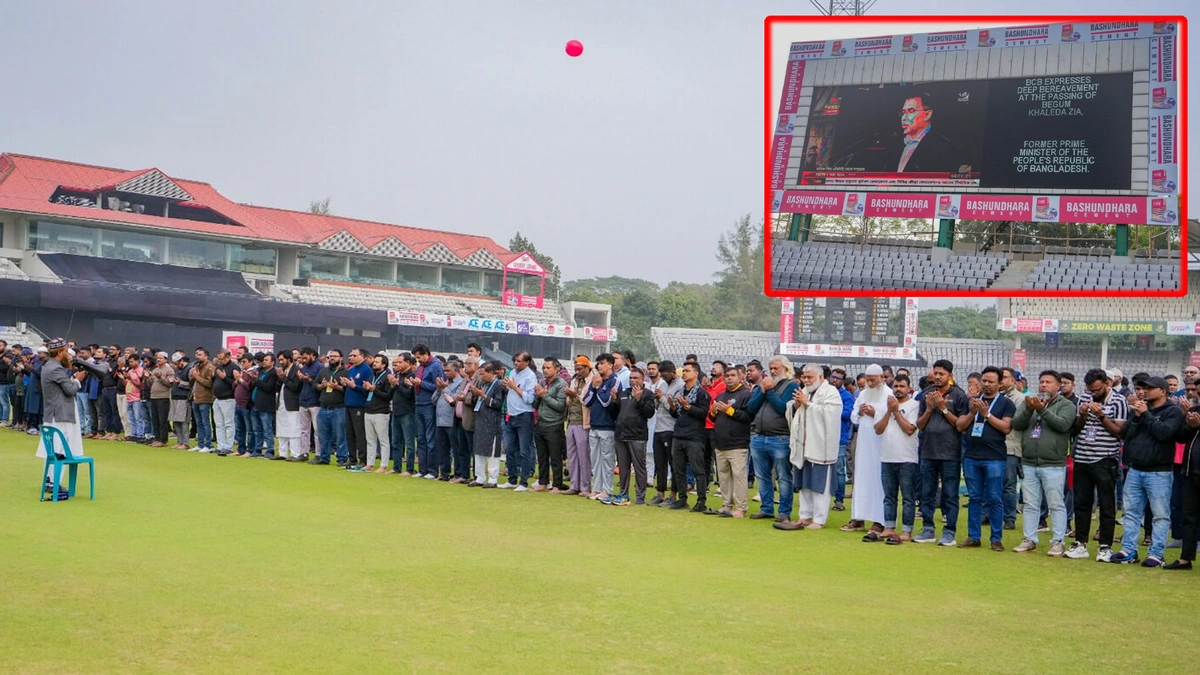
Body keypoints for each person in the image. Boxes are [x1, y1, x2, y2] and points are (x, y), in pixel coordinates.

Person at [1112, 376, 1185, 567]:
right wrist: (1136, 416)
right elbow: (1124, 434)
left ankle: (1156, 553)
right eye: (1143, 388)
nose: (1144, 391)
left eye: (1150, 388)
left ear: (1162, 391)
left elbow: (1164, 434)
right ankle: (1128, 550)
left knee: (1160, 514)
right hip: (1135, 469)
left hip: (1159, 472)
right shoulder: (1140, 409)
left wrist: (1145, 414)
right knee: (1131, 512)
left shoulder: (1173, 412)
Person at [1011, 370, 1077, 556]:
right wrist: (1031, 409)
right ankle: (1029, 539)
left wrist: (1040, 409)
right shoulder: (1029, 402)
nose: (1043, 385)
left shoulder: (1066, 405)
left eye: (1048, 382)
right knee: (1031, 504)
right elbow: (1016, 423)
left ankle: (1058, 541)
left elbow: (1063, 425)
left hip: (1053, 463)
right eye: (1041, 382)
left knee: (1056, 503)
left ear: (1058, 386)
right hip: (1030, 462)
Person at [775, 364, 842, 530]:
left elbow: (832, 415)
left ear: (820, 377)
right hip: (803, 447)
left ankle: (819, 519)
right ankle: (804, 516)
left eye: (809, 377)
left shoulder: (830, 392)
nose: (806, 380)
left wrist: (808, 404)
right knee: (804, 483)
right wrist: (796, 405)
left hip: (821, 447)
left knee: (820, 485)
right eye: (804, 377)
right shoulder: (804, 391)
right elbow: (791, 409)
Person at [957, 367, 1016, 551]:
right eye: (984, 381)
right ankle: (974, 536)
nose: (987, 384)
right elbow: (960, 426)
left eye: (991, 381)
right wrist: (972, 413)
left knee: (994, 497)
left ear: (999, 384)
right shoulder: (973, 402)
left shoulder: (1006, 404)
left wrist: (987, 415)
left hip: (994, 457)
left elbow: (1006, 428)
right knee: (974, 497)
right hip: (972, 456)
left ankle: (996, 538)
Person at [913, 359, 970, 546]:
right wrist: (930, 408)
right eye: (935, 373)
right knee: (926, 493)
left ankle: (949, 532)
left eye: (941, 374)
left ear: (950, 376)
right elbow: (919, 425)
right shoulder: (926, 395)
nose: (937, 377)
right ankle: (928, 529)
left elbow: (961, 425)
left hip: (950, 453)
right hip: (928, 451)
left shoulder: (960, 396)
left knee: (950, 494)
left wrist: (944, 408)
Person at [748, 356, 800, 521]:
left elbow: (782, 408)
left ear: (786, 369)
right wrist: (763, 391)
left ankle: (784, 512)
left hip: (780, 437)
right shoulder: (763, 385)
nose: (772, 371)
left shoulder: (791, 385)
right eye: (770, 368)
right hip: (759, 436)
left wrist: (769, 391)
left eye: (776, 368)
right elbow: (751, 407)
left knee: (783, 476)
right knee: (762, 476)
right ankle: (767, 508)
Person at [36, 338, 88, 495]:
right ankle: (54, 482)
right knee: (60, 449)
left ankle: (49, 480)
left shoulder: (49, 366)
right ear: (60, 352)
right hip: (61, 415)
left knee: (51, 449)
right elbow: (70, 390)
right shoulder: (56, 369)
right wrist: (78, 381)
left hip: (53, 413)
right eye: (66, 351)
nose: (68, 354)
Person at [874, 374, 919, 544]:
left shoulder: (914, 405)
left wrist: (895, 411)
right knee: (889, 496)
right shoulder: (885, 405)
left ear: (909, 388)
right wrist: (888, 410)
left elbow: (909, 429)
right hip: (887, 457)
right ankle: (889, 527)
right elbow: (878, 429)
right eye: (896, 386)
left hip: (907, 458)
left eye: (902, 386)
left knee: (908, 497)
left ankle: (907, 530)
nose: (898, 389)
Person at [845, 364, 890, 534]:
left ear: (882, 378)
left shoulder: (888, 394)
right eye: (868, 380)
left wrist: (874, 413)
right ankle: (858, 517)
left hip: (880, 444)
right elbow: (853, 416)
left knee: (878, 481)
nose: (870, 383)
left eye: (873, 380)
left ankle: (879, 521)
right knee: (861, 478)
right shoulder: (863, 393)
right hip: (863, 443)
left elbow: (890, 416)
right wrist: (861, 412)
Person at [709, 365, 755, 517]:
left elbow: (748, 417)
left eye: (732, 375)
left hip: (737, 444)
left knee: (739, 476)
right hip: (720, 443)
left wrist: (729, 410)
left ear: (740, 377)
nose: (729, 378)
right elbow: (711, 418)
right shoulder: (721, 395)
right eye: (727, 375)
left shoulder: (745, 395)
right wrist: (714, 412)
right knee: (723, 476)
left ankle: (741, 508)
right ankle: (726, 505)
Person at [608, 367, 656, 506]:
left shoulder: (647, 394)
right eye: (631, 378)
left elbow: (649, 413)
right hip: (621, 435)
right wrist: (613, 400)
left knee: (639, 467)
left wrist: (639, 399)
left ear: (643, 379)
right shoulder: (624, 393)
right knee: (623, 467)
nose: (632, 380)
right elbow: (616, 412)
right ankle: (623, 494)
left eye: (636, 378)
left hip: (637, 436)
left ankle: (640, 497)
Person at [667, 361, 711, 512]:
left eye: (687, 371)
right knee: (678, 469)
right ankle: (682, 498)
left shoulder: (702, 393)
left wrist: (688, 406)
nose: (684, 373)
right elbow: (676, 414)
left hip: (694, 436)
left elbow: (703, 413)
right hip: (679, 434)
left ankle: (701, 501)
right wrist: (673, 408)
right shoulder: (680, 391)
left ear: (696, 373)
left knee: (698, 469)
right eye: (683, 371)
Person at [499, 351, 538, 491]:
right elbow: (509, 392)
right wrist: (507, 386)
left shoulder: (530, 376)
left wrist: (514, 387)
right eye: (515, 360)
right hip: (511, 414)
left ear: (527, 362)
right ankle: (512, 479)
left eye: (519, 361)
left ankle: (524, 482)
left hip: (524, 416)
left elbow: (529, 399)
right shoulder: (512, 373)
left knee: (524, 450)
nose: (516, 363)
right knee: (509, 448)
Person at [649, 360, 685, 506]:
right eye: (661, 375)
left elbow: (674, 409)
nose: (663, 378)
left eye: (665, 375)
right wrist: (656, 398)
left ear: (673, 373)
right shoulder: (663, 383)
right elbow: (659, 406)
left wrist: (663, 397)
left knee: (673, 463)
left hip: (671, 428)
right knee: (660, 463)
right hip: (659, 427)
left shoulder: (680, 385)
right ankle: (660, 493)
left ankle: (673, 494)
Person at [584, 353, 619, 501]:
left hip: (608, 426)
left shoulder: (614, 381)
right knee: (595, 459)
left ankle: (607, 489)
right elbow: (586, 401)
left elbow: (606, 402)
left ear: (610, 365)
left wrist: (598, 387)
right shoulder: (596, 380)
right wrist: (594, 386)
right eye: (598, 363)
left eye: (602, 363)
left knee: (607, 459)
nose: (599, 366)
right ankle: (596, 488)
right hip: (594, 424)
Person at [1170, 397, 1200, 569]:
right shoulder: (1194, 412)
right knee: (1188, 516)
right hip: (1190, 471)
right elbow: (1181, 438)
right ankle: (1185, 558)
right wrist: (1188, 422)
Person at [468, 361, 505, 488]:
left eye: (483, 374)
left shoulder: (498, 385)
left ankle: (493, 479)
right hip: (480, 420)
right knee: (479, 450)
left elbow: (498, 404)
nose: (481, 377)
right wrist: (475, 394)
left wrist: (484, 397)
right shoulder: (484, 384)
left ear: (491, 373)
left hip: (491, 423)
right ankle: (480, 477)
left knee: (492, 451)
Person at [533, 357, 568, 492]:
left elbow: (560, 406)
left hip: (554, 424)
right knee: (542, 456)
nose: (545, 370)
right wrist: (537, 394)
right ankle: (543, 482)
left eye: (548, 368)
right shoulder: (542, 382)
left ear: (557, 369)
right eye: (544, 368)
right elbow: (535, 405)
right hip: (540, 423)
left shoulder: (561, 384)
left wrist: (544, 396)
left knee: (555, 456)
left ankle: (557, 484)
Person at [410, 344, 443, 478]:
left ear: (426, 353)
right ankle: (422, 470)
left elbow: (439, 386)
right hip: (419, 403)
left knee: (430, 438)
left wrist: (421, 383)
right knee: (421, 438)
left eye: (419, 357)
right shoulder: (420, 367)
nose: (418, 360)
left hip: (429, 404)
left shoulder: (436, 366)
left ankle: (432, 470)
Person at [564, 356, 593, 496]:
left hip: (584, 422)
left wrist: (574, 395)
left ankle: (585, 486)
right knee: (572, 455)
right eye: (576, 369)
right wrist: (569, 395)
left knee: (584, 456)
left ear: (588, 368)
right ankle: (574, 484)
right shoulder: (575, 380)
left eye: (580, 369)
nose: (578, 372)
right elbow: (568, 402)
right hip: (571, 421)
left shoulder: (592, 380)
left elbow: (587, 401)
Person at [314, 349, 349, 466]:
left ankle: (342, 458)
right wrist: (321, 386)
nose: (331, 358)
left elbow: (348, 390)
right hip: (324, 408)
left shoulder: (346, 372)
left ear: (341, 358)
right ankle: (324, 457)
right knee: (323, 435)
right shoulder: (323, 371)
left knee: (340, 435)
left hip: (339, 408)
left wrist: (337, 386)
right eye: (329, 357)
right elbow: (315, 385)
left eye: (334, 356)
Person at [361, 354, 395, 473]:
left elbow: (388, 396)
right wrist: (366, 389)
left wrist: (374, 389)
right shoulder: (372, 376)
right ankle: (370, 463)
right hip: (369, 410)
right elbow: (368, 394)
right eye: (374, 362)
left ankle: (384, 465)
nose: (374, 363)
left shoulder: (386, 377)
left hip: (381, 412)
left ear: (384, 364)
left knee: (383, 440)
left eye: (377, 362)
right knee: (370, 440)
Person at [340, 348, 373, 470]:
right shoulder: (351, 369)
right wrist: (345, 384)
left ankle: (363, 459)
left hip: (359, 405)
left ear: (362, 356)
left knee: (359, 433)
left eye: (354, 355)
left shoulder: (366, 370)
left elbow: (366, 389)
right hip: (349, 404)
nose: (351, 357)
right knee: (350, 433)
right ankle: (352, 458)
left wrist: (355, 386)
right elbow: (350, 386)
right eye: (350, 355)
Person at [433, 359, 464, 480]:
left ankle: (458, 473)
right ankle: (444, 473)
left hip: (452, 421)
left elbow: (455, 399)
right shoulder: (445, 382)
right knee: (442, 448)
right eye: (444, 370)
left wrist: (445, 389)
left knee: (456, 449)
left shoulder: (461, 383)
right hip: (440, 420)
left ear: (456, 371)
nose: (445, 373)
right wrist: (439, 389)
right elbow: (434, 400)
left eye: (448, 371)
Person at [830, 367, 855, 511]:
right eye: (833, 377)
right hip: (826, 437)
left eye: (838, 378)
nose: (834, 380)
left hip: (840, 437)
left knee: (839, 470)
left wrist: (831, 410)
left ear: (843, 381)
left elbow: (848, 414)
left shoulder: (846, 396)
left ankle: (839, 500)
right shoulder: (826, 392)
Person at [211, 349, 239, 456]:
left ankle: (228, 446)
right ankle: (220, 445)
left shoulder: (234, 367)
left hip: (228, 399)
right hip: (217, 399)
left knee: (228, 424)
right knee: (218, 424)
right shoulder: (219, 367)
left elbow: (235, 384)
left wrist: (225, 378)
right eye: (219, 358)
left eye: (221, 358)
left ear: (228, 357)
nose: (220, 360)